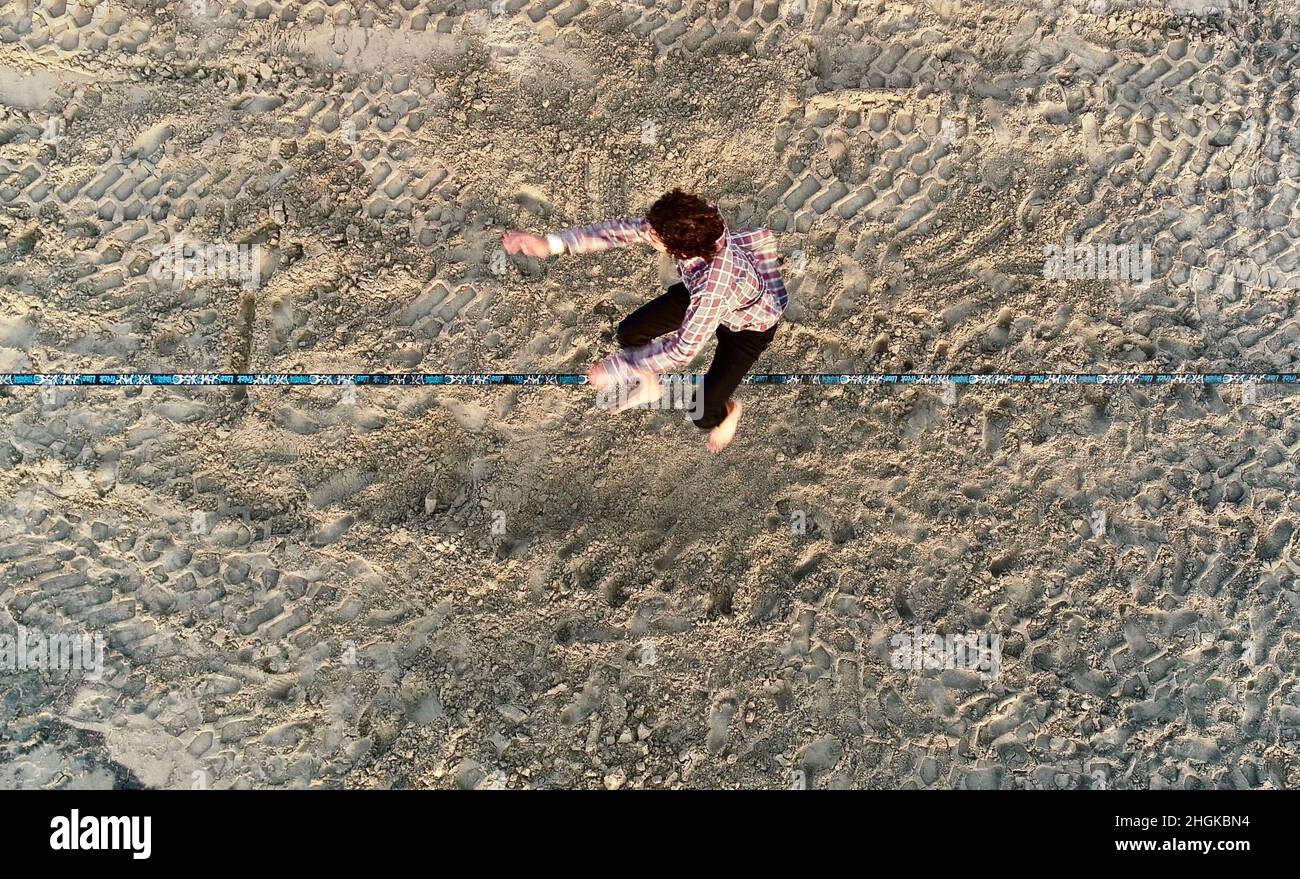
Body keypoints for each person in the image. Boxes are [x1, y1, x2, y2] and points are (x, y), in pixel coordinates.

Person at [502, 189, 788, 452]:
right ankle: (651, 386)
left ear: (682, 251)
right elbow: (621, 232)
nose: (645, 233)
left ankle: (731, 411)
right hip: (710, 291)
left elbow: (681, 351)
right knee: (631, 332)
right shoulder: (696, 221)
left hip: (748, 326)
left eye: (654, 236)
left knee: (701, 414)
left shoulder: (711, 289)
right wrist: (550, 244)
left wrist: (616, 368)